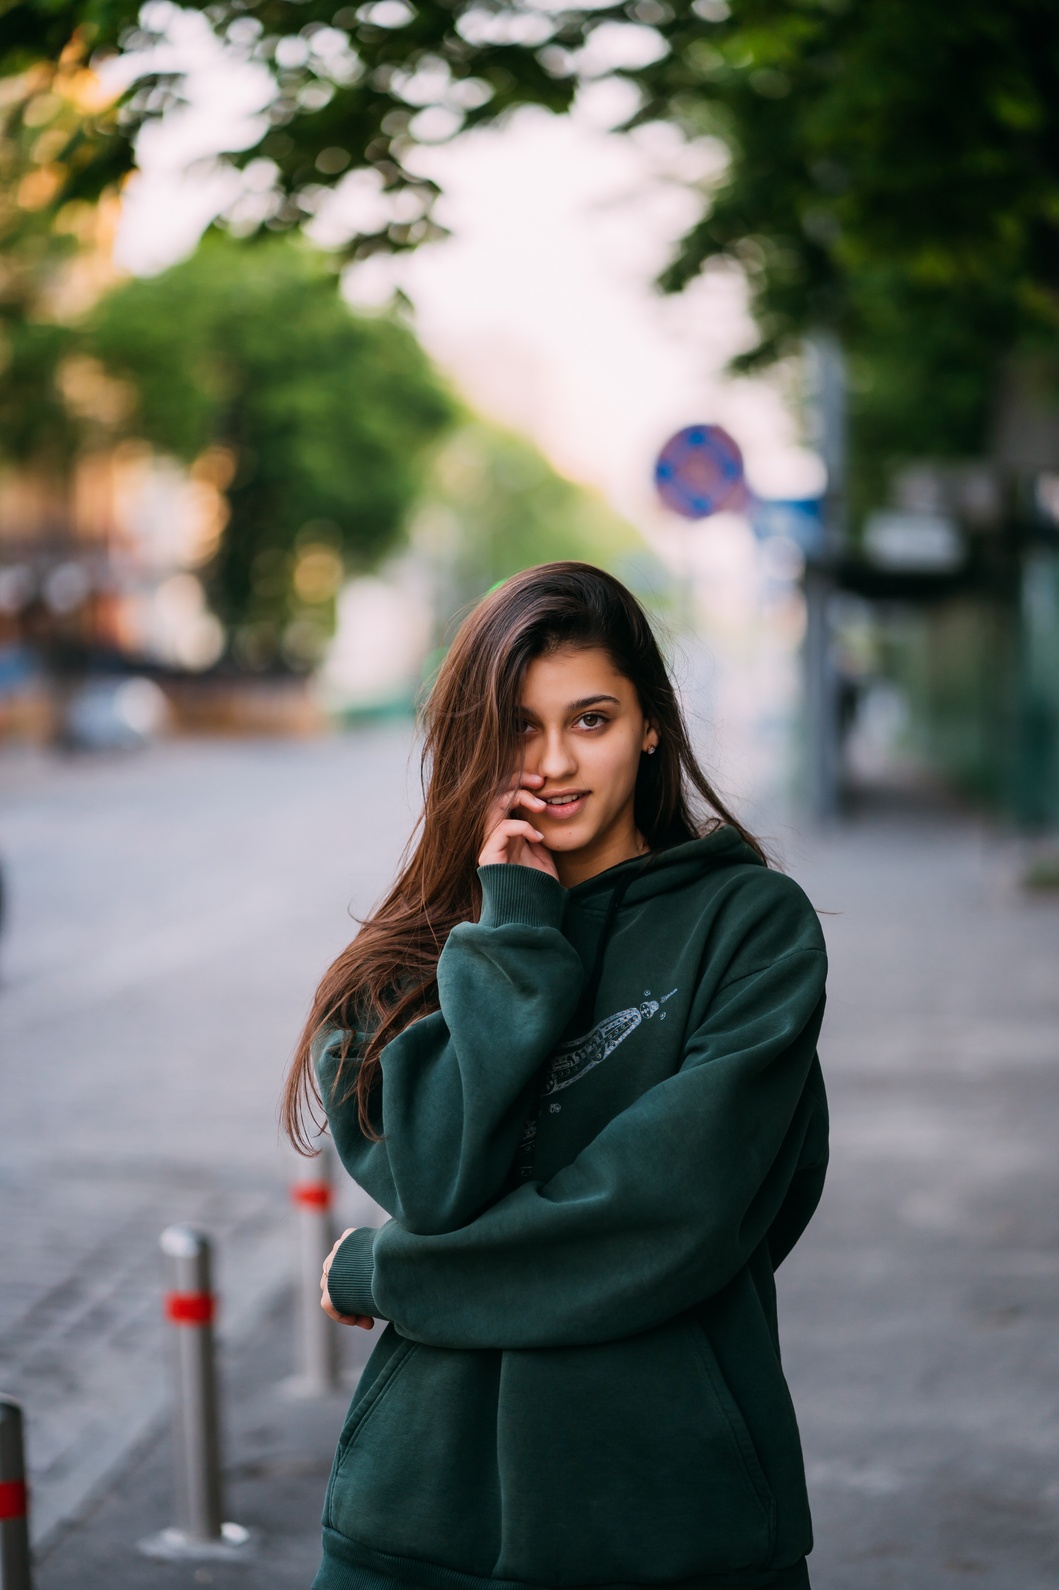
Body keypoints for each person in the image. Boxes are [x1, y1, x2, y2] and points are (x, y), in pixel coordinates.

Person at [283, 562, 829, 1590]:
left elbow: (668, 1215)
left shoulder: (749, 929)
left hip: (677, 1518)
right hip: (423, 1520)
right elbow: (438, 1182)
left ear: (652, 724)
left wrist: (388, 1275)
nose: (554, 764)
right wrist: (516, 938)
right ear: (471, 745)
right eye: (519, 730)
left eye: (590, 720)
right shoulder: (401, 971)